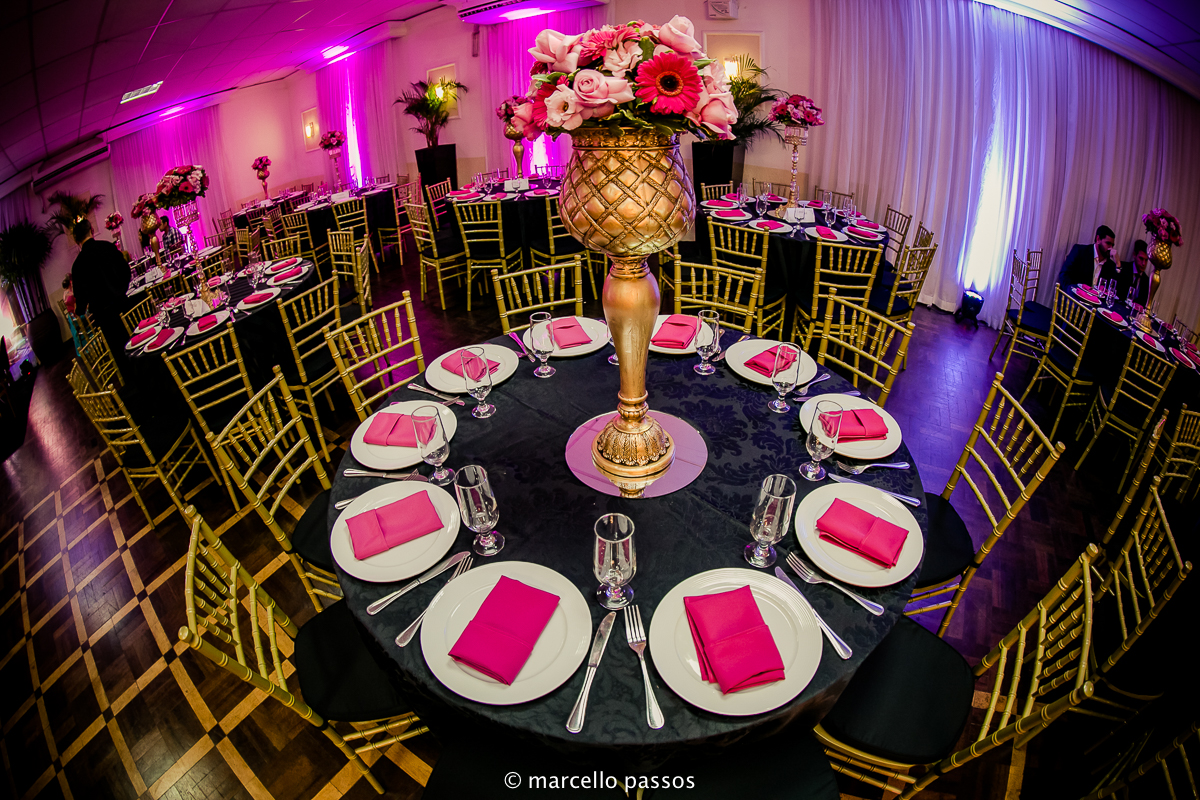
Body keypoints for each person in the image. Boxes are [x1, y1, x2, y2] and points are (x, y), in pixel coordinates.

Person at [71, 219, 132, 369]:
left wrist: (79, 310)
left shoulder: (78, 265)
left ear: (76, 240)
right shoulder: (107, 247)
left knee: (119, 353)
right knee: (134, 340)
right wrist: (121, 289)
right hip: (122, 305)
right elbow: (126, 271)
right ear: (92, 230)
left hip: (103, 316)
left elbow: (80, 300)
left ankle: (130, 378)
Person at [1120, 240, 1153, 306]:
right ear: (1134, 255)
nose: (1143, 263)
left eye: (1146, 260)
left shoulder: (1147, 281)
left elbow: (1143, 304)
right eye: (1141, 258)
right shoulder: (1123, 268)